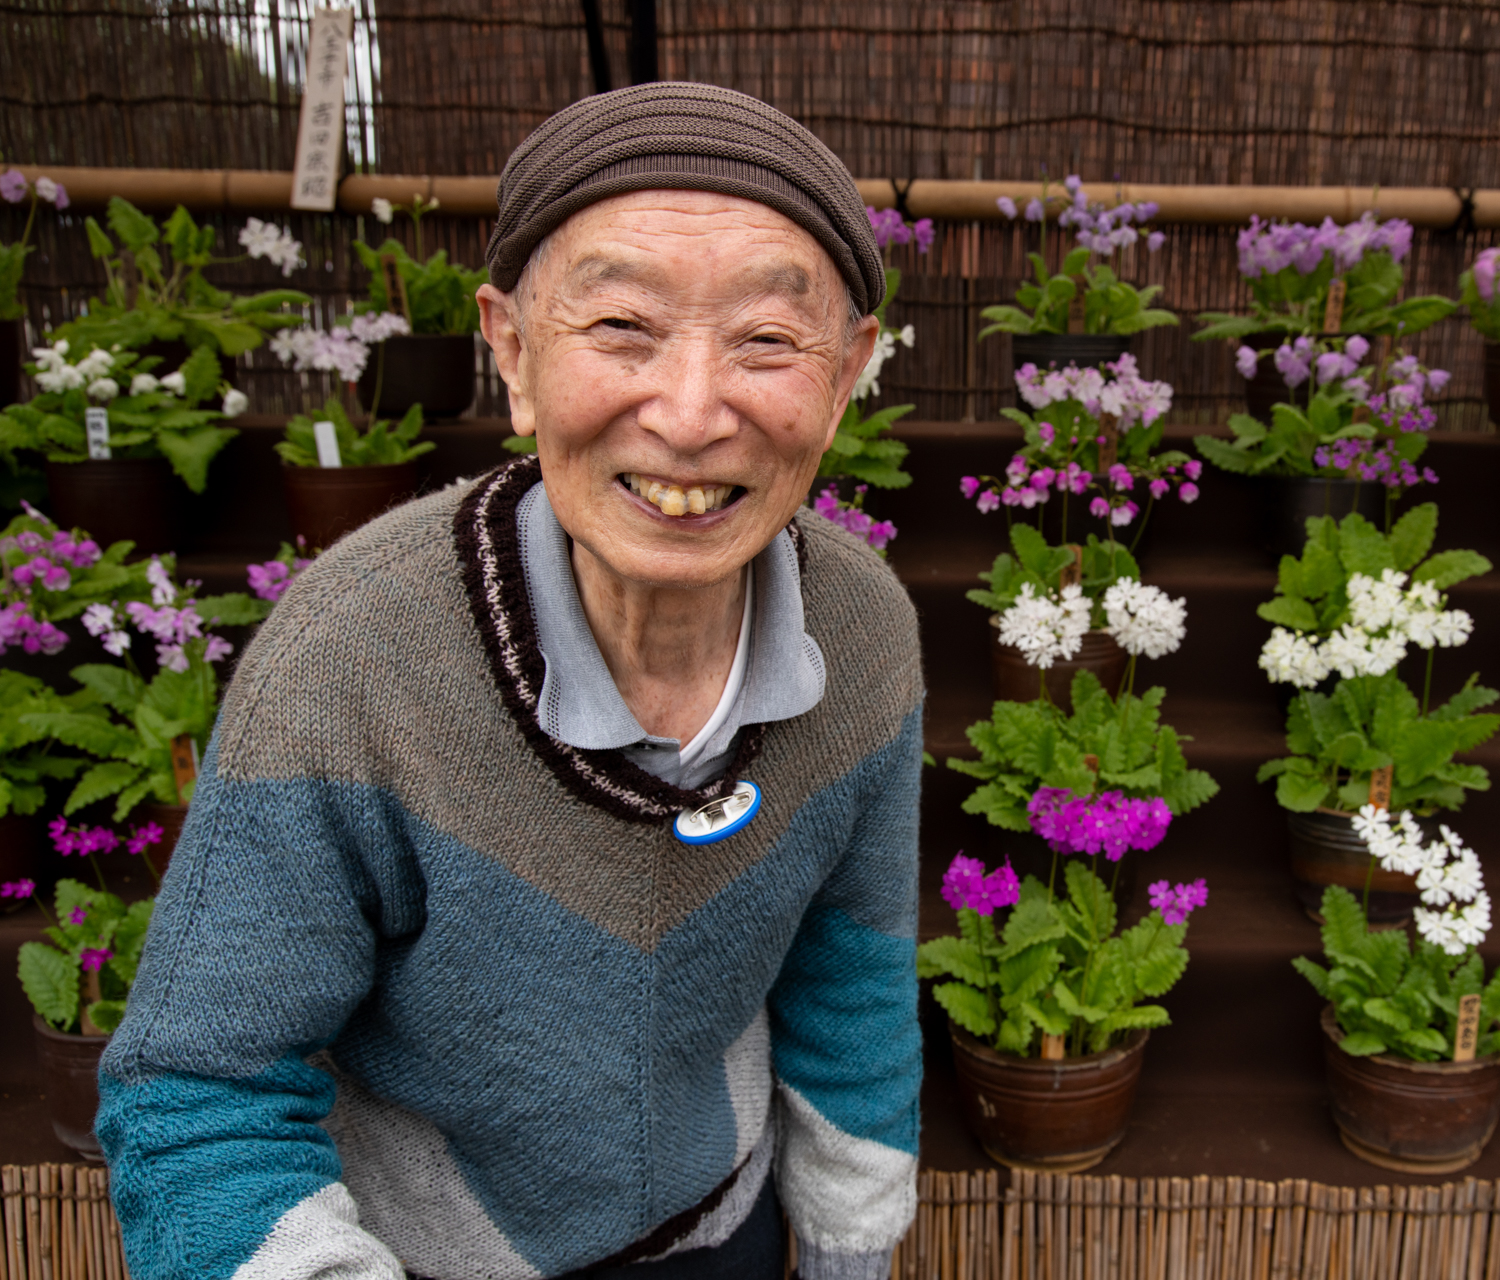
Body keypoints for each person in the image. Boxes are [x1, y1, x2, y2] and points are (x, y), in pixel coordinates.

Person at [97, 82, 924, 1280]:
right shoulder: (351, 659)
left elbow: (853, 971)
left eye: (767, 340)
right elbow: (195, 1093)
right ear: (512, 351)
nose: (691, 413)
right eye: (621, 327)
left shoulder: (864, 630)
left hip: (725, 1233)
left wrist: (848, 1250)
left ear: (845, 378)